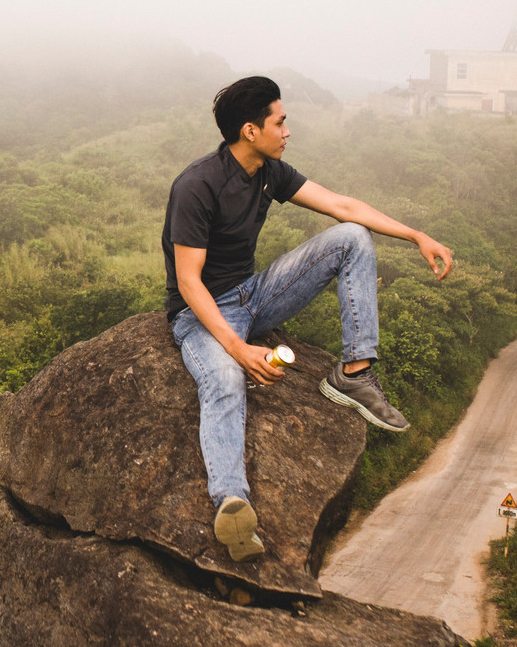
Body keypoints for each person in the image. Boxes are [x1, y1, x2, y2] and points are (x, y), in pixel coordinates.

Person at [162, 76, 452, 563]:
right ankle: (233, 505)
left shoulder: (269, 173)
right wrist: (237, 347)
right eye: (281, 121)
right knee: (226, 381)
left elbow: (342, 206)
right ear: (250, 131)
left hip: (253, 295)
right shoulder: (197, 185)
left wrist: (415, 234)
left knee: (352, 237)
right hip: (199, 315)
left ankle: (355, 373)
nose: (287, 130)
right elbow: (189, 283)